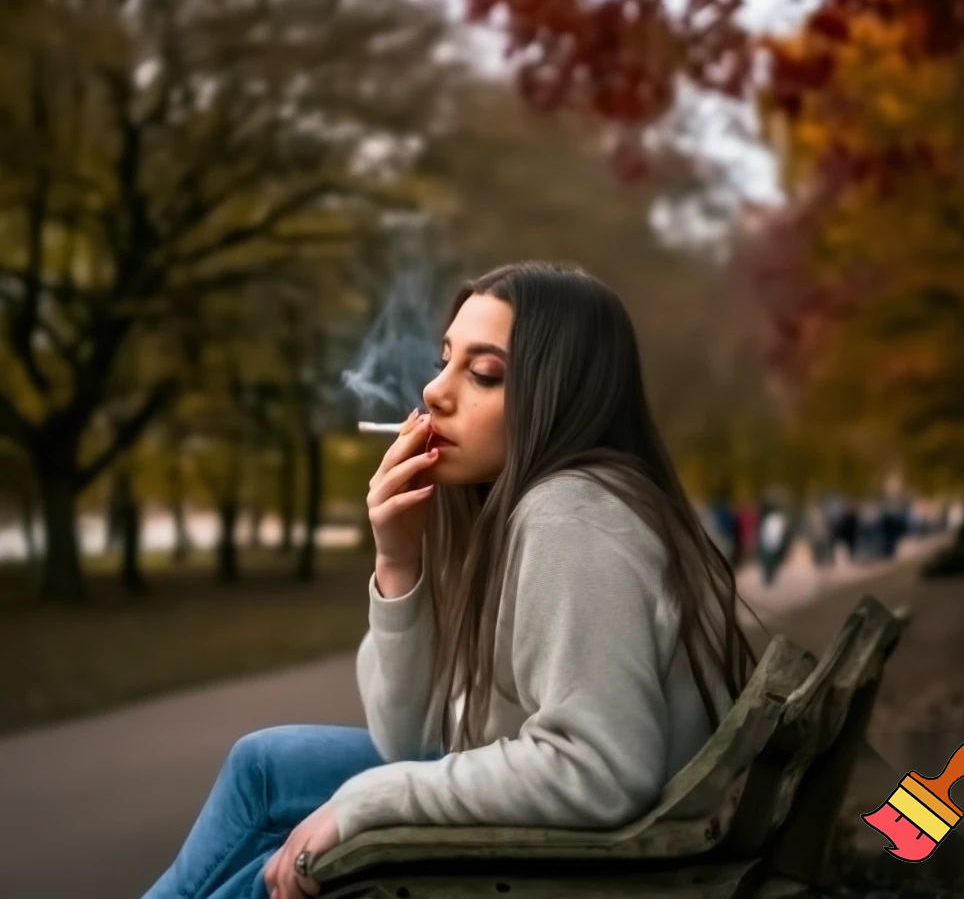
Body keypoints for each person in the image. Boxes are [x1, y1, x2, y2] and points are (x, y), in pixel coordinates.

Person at [142, 261, 756, 899]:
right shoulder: (524, 511)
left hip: (599, 866)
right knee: (262, 767)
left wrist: (366, 802)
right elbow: (407, 737)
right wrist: (399, 565)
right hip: (586, 840)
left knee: (260, 877)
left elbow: (597, 767)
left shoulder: (570, 518)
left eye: (483, 373)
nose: (434, 392)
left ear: (560, 395)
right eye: (444, 361)